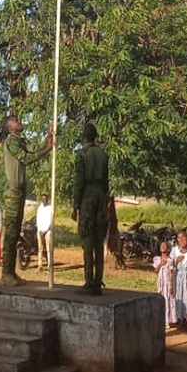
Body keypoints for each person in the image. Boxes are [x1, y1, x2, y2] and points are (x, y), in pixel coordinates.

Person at [71, 122, 104, 294]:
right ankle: (98, 281)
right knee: (99, 240)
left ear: (84, 137)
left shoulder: (82, 154)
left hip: (88, 197)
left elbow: (79, 181)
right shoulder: (103, 154)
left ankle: (89, 281)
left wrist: (76, 204)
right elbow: (107, 181)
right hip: (101, 196)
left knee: (87, 239)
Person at [172, 231, 187, 329]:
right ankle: (181, 318)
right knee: (179, 296)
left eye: (183, 238)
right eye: (179, 238)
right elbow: (170, 265)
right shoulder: (174, 251)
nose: (182, 240)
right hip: (178, 276)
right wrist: (176, 261)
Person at [154, 241, 176, 328]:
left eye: (164, 246)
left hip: (167, 283)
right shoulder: (157, 259)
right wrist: (160, 264)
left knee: (167, 300)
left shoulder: (170, 260)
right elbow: (156, 271)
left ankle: (167, 321)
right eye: (161, 246)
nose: (162, 247)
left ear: (168, 248)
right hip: (160, 283)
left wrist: (171, 285)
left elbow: (170, 273)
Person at [34, 194, 52, 270]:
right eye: (43, 199)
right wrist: (40, 230)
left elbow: (50, 220)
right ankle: (40, 265)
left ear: (47, 200)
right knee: (40, 248)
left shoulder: (50, 208)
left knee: (48, 248)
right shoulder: (39, 208)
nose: (44, 200)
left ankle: (49, 265)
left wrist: (45, 231)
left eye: (45, 199)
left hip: (48, 230)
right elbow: (38, 220)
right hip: (40, 230)